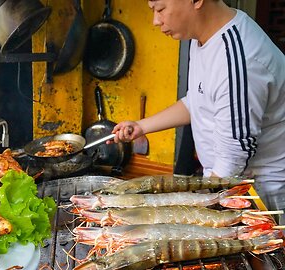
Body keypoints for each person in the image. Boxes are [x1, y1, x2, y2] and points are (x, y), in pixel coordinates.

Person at [110, 0, 285, 223]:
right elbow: (197, 102)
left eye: (161, 9)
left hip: (257, 190)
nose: (155, 21)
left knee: (263, 255)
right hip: (223, 179)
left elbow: (232, 160)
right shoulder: (204, 38)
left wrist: (190, 211)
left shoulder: (236, 59)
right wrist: (142, 126)